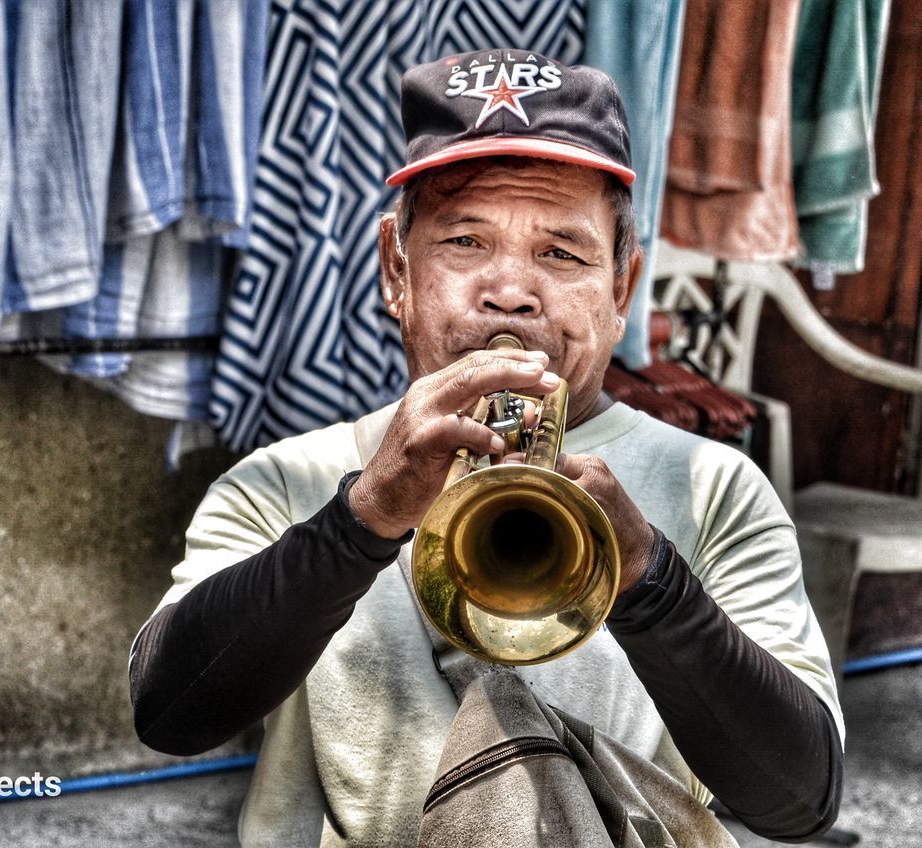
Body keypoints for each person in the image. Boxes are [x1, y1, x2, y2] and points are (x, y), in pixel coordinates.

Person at [129, 49, 844, 846]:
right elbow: (169, 714)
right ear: (395, 271)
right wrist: (358, 520)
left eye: (561, 253)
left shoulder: (717, 484)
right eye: (465, 241)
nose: (510, 289)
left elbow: (799, 801)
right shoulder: (281, 478)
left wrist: (648, 577)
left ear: (622, 289)